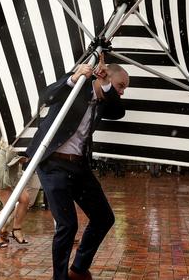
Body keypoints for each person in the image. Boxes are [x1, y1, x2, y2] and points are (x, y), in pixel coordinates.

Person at [26, 54, 129, 280]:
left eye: (121, 88)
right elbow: (46, 97)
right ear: (104, 73)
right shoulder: (75, 88)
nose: (121, 91)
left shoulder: (106, 101)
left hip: (79, 166)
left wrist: (107, 84)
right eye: (121, 85)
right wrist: (74, 78)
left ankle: (79, 269)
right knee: (67, 225)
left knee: (104, 217)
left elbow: (119, 112)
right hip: (53, 163)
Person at [0, 142, 31, 248]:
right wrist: (26, 159)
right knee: (8, 207)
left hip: (12, 176)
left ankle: (16, 229)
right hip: (1, 175)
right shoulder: (11, 138)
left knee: (25, 199)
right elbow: (9, 159)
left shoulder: (23, 138)